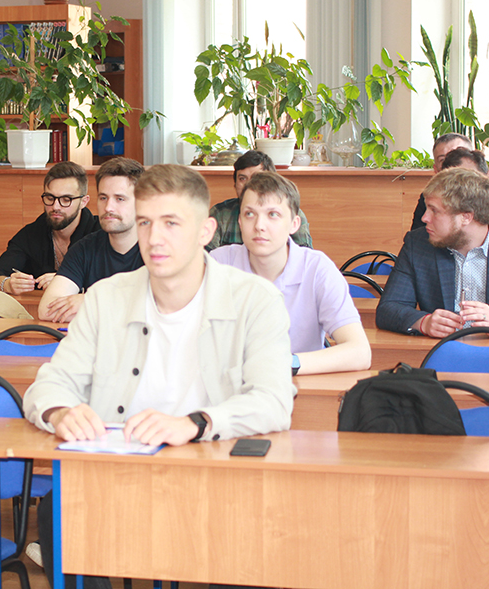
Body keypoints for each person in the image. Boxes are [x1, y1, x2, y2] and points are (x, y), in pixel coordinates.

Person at [23, 164, 294, 587]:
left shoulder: (255, 300)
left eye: (171, 223)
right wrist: (60, 412)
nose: (154, 238)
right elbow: (49, 385)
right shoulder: (105, 298)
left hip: (214, 473)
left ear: (205, 231)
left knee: (250, 524)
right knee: (57, 508)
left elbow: (274, 402)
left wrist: (194, 423)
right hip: (119, 473)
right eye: (146, 222)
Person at [210, 172, 370, 374]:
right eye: (249, 214)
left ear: (294, 224)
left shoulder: (317, 269)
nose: (259, 226)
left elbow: (360, 352)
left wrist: (286, 363)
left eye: (272, 215)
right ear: (240, 222)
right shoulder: (218, 264)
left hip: (298, 385)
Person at [377, 168, 489, 338]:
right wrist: (424, 322)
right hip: (440, 353)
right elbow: (388, 309)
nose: (425, 218)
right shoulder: (417, 243)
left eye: (434, 211)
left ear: (466, 217)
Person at [37, 157, 145, 322]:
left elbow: (164, 309)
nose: (108, 207)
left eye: (120, 199)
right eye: (103, 198)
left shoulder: (161, 249)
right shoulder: (84, 248)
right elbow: (47, 310)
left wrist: (93, 300)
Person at [0, 161, 100, 294]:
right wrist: (7, 284)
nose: (55, 206)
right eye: (50, 198)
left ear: (84, 201)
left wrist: (67, 281)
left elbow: (115, 281)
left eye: (66, 199)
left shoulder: (101, 234)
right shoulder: (32, 233)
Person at [410, 132, 489, 230]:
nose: (454, 164)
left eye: (461, 155)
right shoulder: (429, 197)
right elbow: (418, 240)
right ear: (436, 170)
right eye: (444, 160)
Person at [206, 150, 312, 250]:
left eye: (256, 177)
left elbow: (303, 256)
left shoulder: (289, 212)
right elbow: (205, 258)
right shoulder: (220, 213)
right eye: (242, 179)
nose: (248, 184)